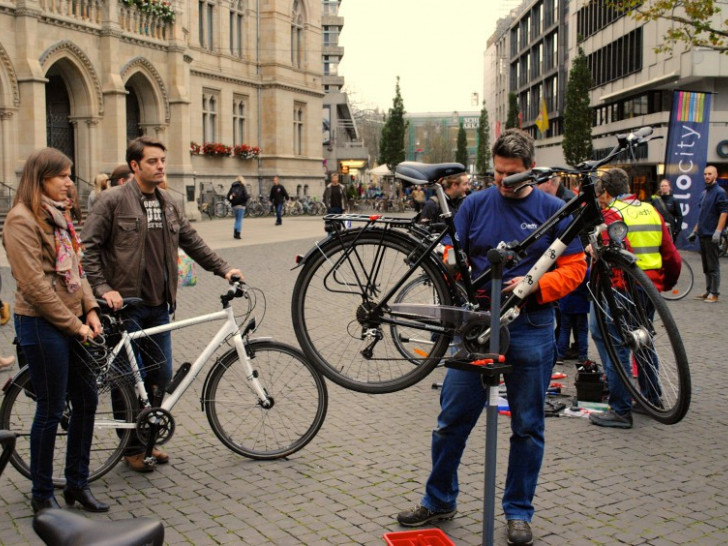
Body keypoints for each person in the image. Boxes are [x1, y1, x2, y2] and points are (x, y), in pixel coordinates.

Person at [396, 129, 586, 546]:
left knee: (528, 426)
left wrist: (536, 286)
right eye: (498, 172)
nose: (503, 181)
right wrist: (448, 264)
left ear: (531, 171)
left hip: (532, 325)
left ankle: (518, 512)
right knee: (451, 420)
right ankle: (439, 499)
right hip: (477, 325)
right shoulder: (475, 204)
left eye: (512, 174)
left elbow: (575, 269)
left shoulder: (555, 209)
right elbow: (451, 249)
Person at [82, 136, 243, 472]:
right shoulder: (112, 201)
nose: (160, 167)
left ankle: (150, 440)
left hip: (160, 303)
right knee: (126, 380)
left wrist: (224, 268)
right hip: (125, 305)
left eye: (162, 161)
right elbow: (90, 249)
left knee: (161, 374)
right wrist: (102, 287)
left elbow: (193, 241)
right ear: (135, 166)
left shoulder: (169, 201)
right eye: (153, 161)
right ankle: (131, 449)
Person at [2, 147, 107, 513]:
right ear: (40, 177)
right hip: (40, 323)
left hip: (73, 322)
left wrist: (91, 310)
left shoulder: (59, 216)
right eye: (62, 175)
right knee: (50, 408)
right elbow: (34, 285)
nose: (68, 182)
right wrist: (75, 324)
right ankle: (42, 494)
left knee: (88, 400)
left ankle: (76, 484)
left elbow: (75, 271)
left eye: (69, 174)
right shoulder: (20, 220)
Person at [588, 168, 681, 429]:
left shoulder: (611, 214)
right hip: (650, 288)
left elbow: (607, 258)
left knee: (615, 343)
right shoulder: (651, 211)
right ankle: (651, 397)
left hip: (622, 287)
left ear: (606, 192)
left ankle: (620, 408)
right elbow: (672, 255)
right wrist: (665, 284)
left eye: (600, 193)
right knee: (643, 338)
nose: (600, 198)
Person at [687, 165, 727, 303]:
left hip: (711, 234)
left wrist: (718, 231)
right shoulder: (704, 192)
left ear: (715, 175)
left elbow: (724, 212)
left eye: (710, 174)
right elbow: (702, 215)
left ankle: (714, 293)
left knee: (713, 265)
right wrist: (694, 231)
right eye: (705, 174)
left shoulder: (720, 192)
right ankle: (708, 290)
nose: (707, 176)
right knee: (706, 265)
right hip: (703, 234)